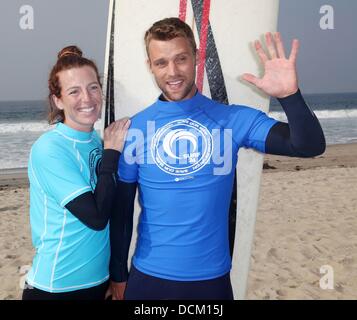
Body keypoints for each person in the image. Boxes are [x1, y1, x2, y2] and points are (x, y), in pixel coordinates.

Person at [109, 18, 326, 300]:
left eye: (181, 59)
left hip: (210, 283)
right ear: (150, 66)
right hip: (149, 280)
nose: (172, 71)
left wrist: (290, 96)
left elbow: (309, 146)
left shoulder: (232, 120)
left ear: (197, 58)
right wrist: (118, 274)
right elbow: (122, 212)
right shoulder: (134, 130)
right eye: (161, 62)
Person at [22, 46, 130, 300]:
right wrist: (112, 153)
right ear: (57, 100)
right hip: (56, 288)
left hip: (98, 283)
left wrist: (117, 274)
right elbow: (96, 217)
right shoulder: (50, 149)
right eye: (74, 91)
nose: (87, 98)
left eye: (93, 87)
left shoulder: (95, 141)